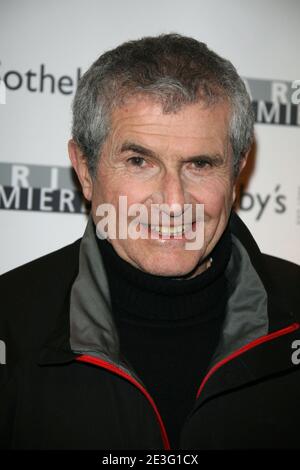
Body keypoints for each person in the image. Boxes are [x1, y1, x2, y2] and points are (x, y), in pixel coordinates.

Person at [0, 33, 299, 450]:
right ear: (85, 170)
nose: (174, 202)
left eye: (200, 164)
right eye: (139, 161)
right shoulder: (8, 320)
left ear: (236, 173)